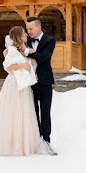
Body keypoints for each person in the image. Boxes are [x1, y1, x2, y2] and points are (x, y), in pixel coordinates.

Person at [0, 26, 52, 156]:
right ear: (18, 36)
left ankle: (23, 143)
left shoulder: (23, 49)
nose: (26, 34)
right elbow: (8, 66)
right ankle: (11, 144)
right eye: (23, 33)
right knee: (13, 112)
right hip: (14, 85)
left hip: (25, 85)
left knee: (24, 113)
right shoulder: (11, 50)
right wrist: (23, 65)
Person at [24, 16, 56, 150]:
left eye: (30, 28)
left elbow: (43, 58)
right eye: (27, 29)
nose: (29, 31)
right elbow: (16, 48)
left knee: (45, 113)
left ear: (38, 27)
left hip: (45, 82)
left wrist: (28, 52)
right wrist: (8, 51)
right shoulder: (26, 41)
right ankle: (36, 141)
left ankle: (46, 142)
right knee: (33, 112)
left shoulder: (50, 40)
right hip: (30, 83)